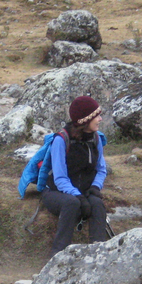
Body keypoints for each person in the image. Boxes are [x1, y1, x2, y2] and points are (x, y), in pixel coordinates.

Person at [42, 95, 109, 256]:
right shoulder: (61, 140)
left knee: (97, 204)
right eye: (96, 116)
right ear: (85, 120)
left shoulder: (96, 138)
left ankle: (98, 254)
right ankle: (57, 255)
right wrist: (78, 197)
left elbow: (101, 169)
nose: (100, 119)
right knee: (72, 204)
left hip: (85, 191)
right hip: (56, 192)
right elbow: (59, 178)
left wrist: (95, 187)